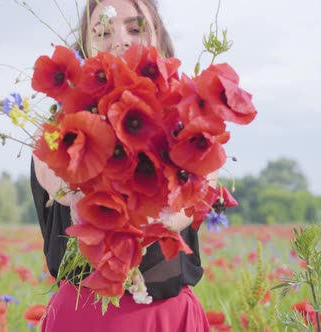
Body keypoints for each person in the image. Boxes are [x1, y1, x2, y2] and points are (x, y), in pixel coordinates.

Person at [30, 0, 211, 331]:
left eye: (136, 28)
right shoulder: (53, 133)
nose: (121, 40)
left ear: (160, 40)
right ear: (85, 47)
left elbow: (178, 215)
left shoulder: (193, 125)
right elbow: (66, 192)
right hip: (80, 317)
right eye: (102, 31)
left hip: (166, 318)